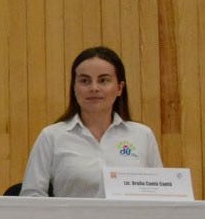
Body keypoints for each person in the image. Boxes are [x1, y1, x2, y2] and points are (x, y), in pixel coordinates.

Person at [20, 45, 162, 197]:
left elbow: (161, 194)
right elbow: (31, 195)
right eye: (85, 81)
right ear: (74, 88)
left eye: (103, 80)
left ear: (120, 88)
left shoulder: (142, 135)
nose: (94, 88)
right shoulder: (52, 136)